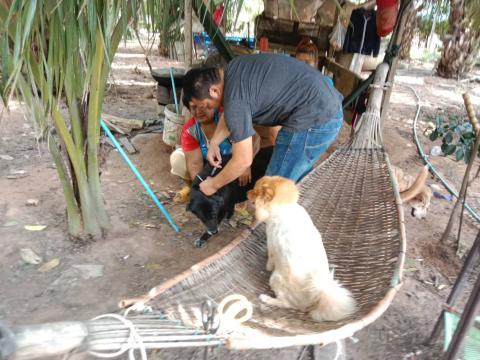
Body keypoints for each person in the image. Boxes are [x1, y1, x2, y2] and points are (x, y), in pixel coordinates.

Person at [182, 53, 344, 196]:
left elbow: (243, 161)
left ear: (214, 91)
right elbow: (230, 113)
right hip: (325, 105)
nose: (205, 110)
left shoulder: (235, 100)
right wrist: (215, 142)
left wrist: (212, 185)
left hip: (315, 118)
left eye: (205, 106)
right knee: (292, 182)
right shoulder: (234, 68)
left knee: (270, 191)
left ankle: (275, 227)